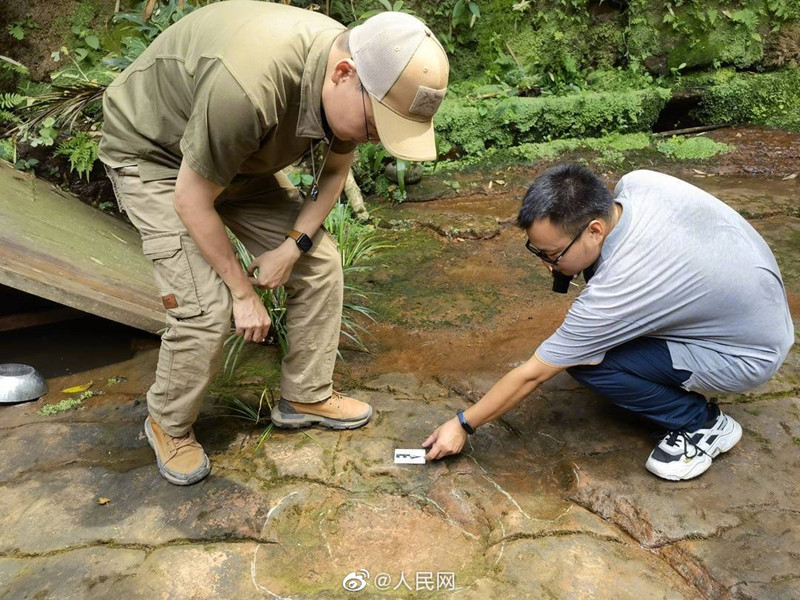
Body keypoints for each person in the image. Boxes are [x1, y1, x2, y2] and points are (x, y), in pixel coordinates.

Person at [99, 2, 449, 485]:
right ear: (344, 74)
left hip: (238, 159)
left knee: (320, 263)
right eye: (374, 127)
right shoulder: (248, 86)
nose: (372, 140)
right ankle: (168, 422)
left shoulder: (353, 65)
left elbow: (334, 168)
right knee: (205, 307)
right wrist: (243, 293)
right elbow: (192, 198)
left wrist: (293, 246)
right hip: (157, 158)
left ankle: (305, 395)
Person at [423, 164, 794, 481]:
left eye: (553, 255)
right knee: (595, 343)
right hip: (753, 307)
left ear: (595, 230)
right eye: (537, 252)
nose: (547, 266)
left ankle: (702, 424)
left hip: (746, 354)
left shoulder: (621, 285)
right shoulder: (638, 183)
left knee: (588, 362)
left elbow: (535, 373)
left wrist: (462, 423)